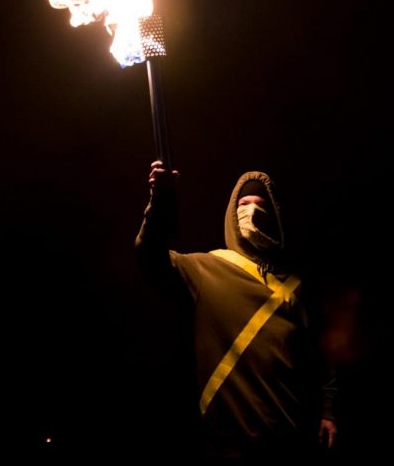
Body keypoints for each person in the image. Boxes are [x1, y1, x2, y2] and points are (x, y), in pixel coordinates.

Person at [136, 161, 338, 462]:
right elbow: (149, 255)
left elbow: (320, 358)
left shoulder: (298, 287)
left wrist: (328, 412)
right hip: (226, 446)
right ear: (232, 214)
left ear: (276, 215)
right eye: (244, 204)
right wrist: (159, 203)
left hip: (290, 441)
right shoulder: (207, 268)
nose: (253, 210)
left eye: (261, 204)